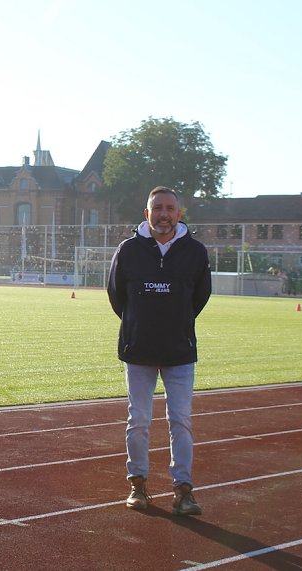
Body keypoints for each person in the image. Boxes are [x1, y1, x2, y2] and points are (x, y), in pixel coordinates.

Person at [107, 186, 212, 516]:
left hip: (179, 351)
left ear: (179, 214)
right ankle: (137, 484)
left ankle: (183, 490)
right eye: (158, 208)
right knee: (138, 420)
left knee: (180, 421)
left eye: (170, 208)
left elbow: (200, 298)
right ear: (147, 213)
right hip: (139, 350)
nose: (164, 214)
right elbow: (116, 297)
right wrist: (139, 324)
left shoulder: (195, 252)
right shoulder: (128, 250)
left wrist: (176, 322)